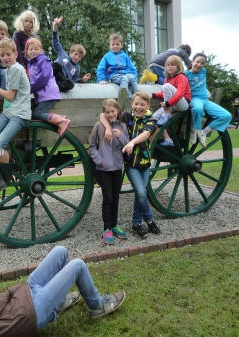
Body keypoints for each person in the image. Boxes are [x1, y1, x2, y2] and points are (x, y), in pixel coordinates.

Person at [0, 246, 126, 336]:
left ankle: (57, 301)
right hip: (31, 312)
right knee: (78, 266)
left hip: (22, 297)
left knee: (60, 251)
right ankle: (98, 306)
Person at [101, 91, 161, 238]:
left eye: (142, 104)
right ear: (132, 104)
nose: (138, 107)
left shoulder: (151, 120)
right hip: (131, 163)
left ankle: (136, 223)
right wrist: (108, 128)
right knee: (141, 192)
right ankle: (150, 219)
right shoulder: (127, 116)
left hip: (145, 163)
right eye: (136, 104)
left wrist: (132, 142)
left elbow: (146, 134)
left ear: (148, 106)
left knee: (140, 194)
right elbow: (103, 114)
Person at [0, 38, 31, 200]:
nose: (5, 57)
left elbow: (10, 95)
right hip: (8, 112)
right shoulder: (8, 70)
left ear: (16, 54)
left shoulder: (16, 68)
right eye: (2, 55)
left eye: (8, 54)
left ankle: (6, 175)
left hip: (19, 114)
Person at [89, 99, 129, 244]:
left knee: (116, 196)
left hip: (117, 167)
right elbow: (92, 146)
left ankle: (114, 224)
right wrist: (99, 160)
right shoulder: (99, 127)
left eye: (113, 111)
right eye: (107, 112)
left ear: (118, 111)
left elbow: (128, 145)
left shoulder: (123, 127)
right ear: (104, 113)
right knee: (108, 198)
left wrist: (121, 136)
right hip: (104, 168)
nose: (111, 114)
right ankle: (107, 229)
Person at [25, 37, 70, 137]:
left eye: (36, 49)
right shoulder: (31, 64)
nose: (33, 51)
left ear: (41, 50)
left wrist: (28, 89)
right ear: (27, 51)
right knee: (36, 113)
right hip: (43, 95)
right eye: (31, 49)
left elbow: (43, 78)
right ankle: (59, 118)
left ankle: (61, 121)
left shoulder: (43, 61)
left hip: (48, 93)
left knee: (36, 113)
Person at [186, 53, 232, 147]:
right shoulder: (185, 74)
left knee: (226, 116)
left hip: (205, 100)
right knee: (197, 109)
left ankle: (204, 132)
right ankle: (195, 130)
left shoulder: (203, 71)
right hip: (195, 98)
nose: (199, 65)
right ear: (192, 61)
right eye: (197, 62)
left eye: (202, 63)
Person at [151, 55, 191, 146]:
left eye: (173, 65)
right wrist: (153, 95)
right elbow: (164, 93)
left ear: (179, 67)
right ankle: (168, 139)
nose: (169, 66)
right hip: (171, 104)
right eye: (168, 65)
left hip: (183, 103)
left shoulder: (181, 77)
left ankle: (166, 113)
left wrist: (168, 104)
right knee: (153, 118)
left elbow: (180, 93)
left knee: (166, 86)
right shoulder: (167, 79)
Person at [97, 33, 139, 100]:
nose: (115, 46)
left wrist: (135, 76)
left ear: (121, 45)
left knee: (132, 78)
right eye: (113, 44)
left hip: (126, 74)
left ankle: (138, 97)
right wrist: (101, 79)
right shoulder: (107, 56)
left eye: (117, 44)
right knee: (124, 78)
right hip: (114, 75)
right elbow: (101, 68)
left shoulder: (125, 56)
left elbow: (132, 67)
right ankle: (125, 97)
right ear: (110, 46)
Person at [52, 16, 91, 86]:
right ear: (70, 52)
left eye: (79, 56)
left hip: (62, 79)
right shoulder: (63, 55)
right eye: (75, 54)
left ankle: (58, 85)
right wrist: (55, 27)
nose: (77, 57)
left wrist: (82, 79)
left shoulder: (77, 68)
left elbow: (74, 80)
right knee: (58, 66)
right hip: (54, 73)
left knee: (70, 84)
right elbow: (56, 43)